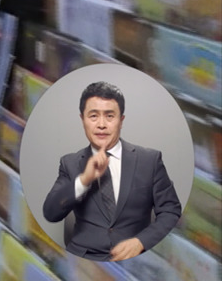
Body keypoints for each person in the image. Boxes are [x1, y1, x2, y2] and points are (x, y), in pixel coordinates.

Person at [42, 81, 182, 262]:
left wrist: (141, 242)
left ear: (121, 120)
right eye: (93, 116)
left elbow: (171, 210)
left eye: (109, 116)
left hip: (135, 260)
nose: (101, 124)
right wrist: (84, 180)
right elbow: (50, 213)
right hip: (83, 260)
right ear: (82, 119)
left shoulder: (149, 160)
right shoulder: (70, 163)